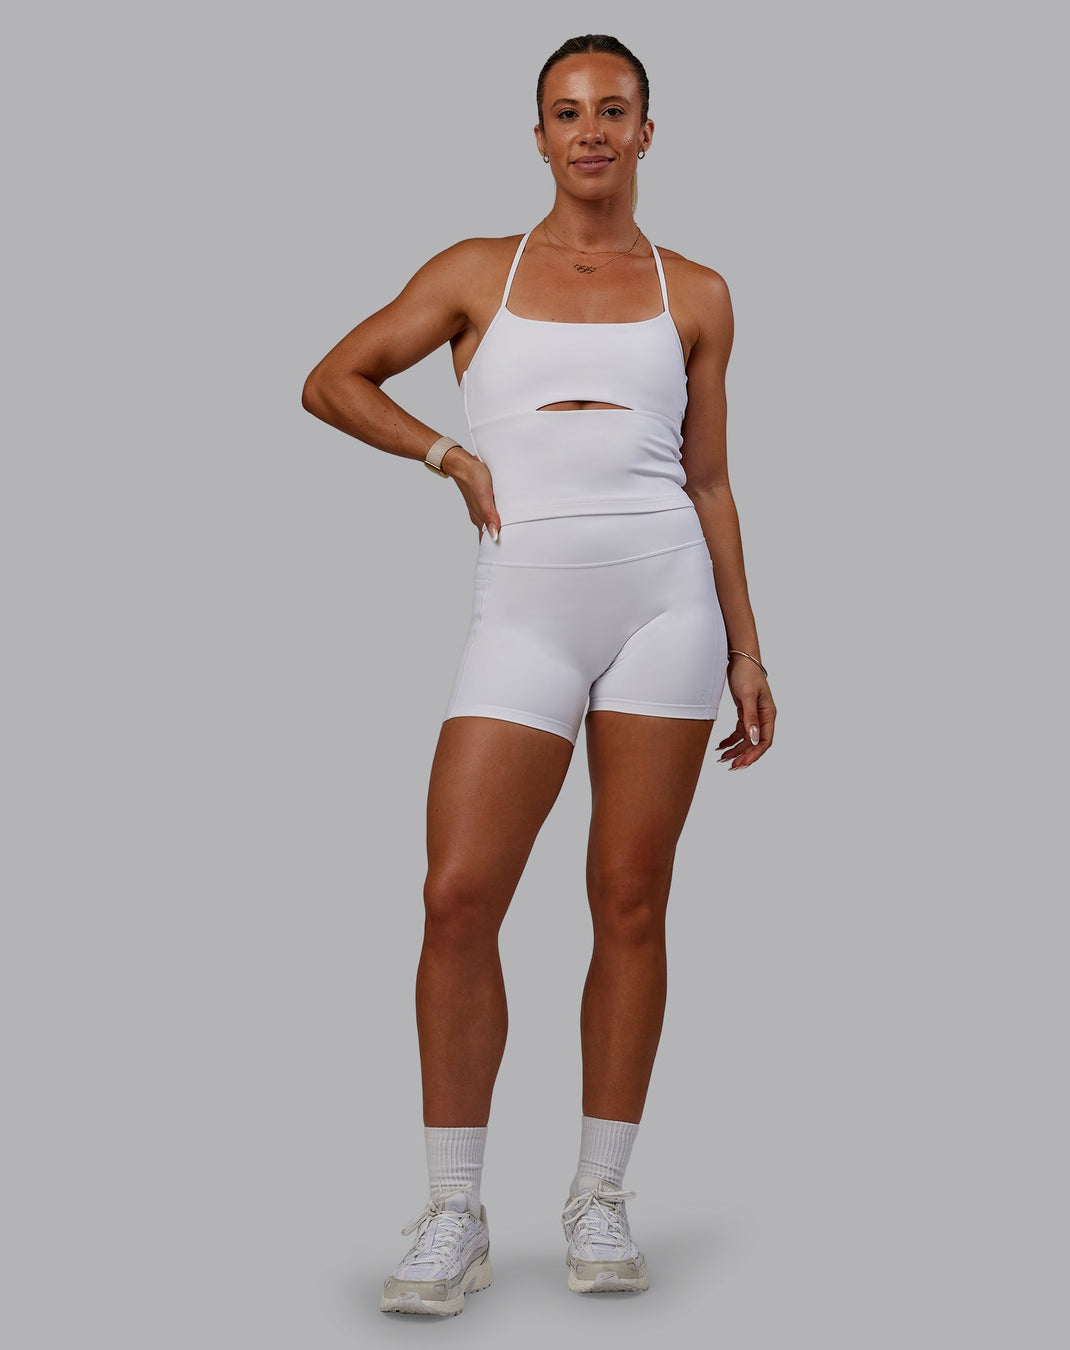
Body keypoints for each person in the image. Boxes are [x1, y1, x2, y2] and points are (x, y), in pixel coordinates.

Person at [301, 32, 776, 1316]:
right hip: (525, 610)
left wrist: (746, 646)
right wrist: (449, 457)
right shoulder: (477, 271)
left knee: (630, 899)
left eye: (613, 110)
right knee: (458, 895)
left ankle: (600, 1196)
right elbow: (333, 380)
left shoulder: (697, 291)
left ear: (647, 131)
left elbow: (711, 480)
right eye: (567, 112)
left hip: (666, 606)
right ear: (539, 136)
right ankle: (454, 1211)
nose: (591, 131)